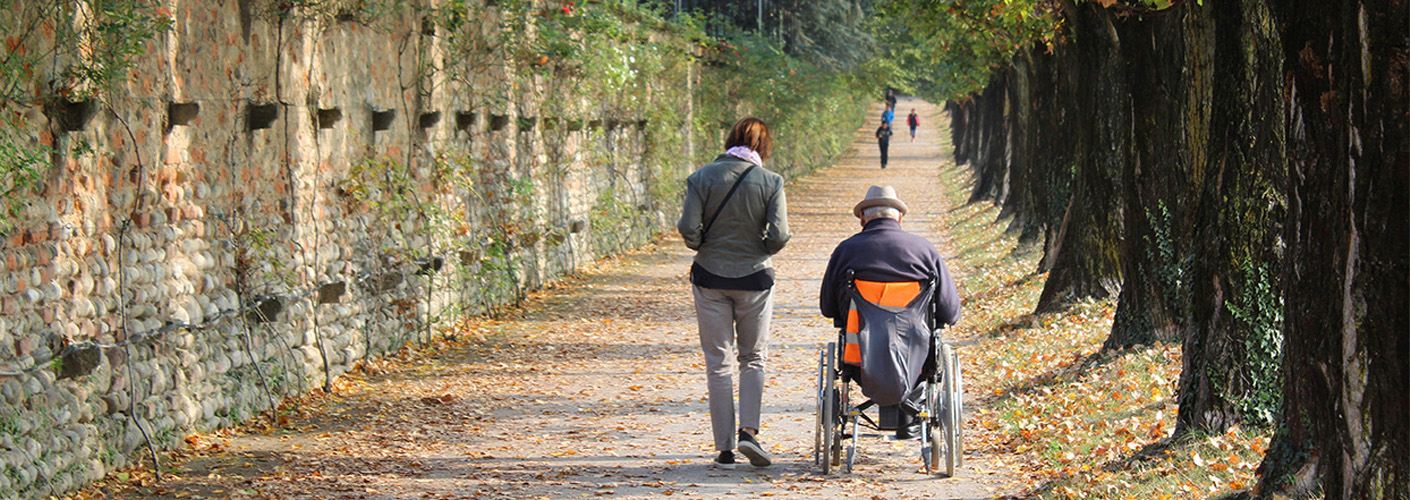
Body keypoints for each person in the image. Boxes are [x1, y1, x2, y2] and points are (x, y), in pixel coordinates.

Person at [677, 117, 790, 470]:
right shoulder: (771, 181)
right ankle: (749, 432)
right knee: (753, 358)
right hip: (755, 279)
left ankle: (725, 448)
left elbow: (687, 227)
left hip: (710, 276)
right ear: (763, 148)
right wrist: (762, 249)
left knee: (718, 364)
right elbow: (780, 234)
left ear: (730, 141)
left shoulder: (701, 177)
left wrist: (701, 245)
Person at [819, 185, 962, 439]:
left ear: (863, 218)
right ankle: (909, 417)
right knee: (922, 341)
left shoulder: (846, 251)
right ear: (899, 217)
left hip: (858, 358)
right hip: (917, 360)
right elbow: (950, 312)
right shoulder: (925, 251)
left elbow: (828, 308)